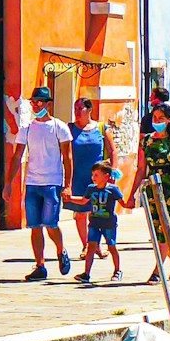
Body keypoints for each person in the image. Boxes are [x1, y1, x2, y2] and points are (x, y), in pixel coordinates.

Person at [126, 98, 170, 285]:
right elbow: (141, 169)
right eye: (155, 117)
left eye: (161, 118)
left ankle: (157, 270)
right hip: (152, 190)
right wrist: (132, 194)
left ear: (169, 120)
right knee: (158, 231)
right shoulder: (146, 142)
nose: (157, 121)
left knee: (166, 229)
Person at [13, 85, 73, 281]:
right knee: (35, 225)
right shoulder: (27, 129)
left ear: (48, 104)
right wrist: (8, 183)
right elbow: (17, 156)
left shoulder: (59, 127)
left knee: (51, 224)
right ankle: (40, 265)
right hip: (32, 182)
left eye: (40, 102)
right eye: (33, 102)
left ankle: (60, 250)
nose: (36, 106)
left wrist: (67, 185)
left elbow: (67, 158)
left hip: (52, 182)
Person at [69, 159, 124, 283]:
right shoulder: (91, 189)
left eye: (96, 175)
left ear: (106, 176)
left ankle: (117, 270)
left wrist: (130, 201)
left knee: (112, 247)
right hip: (94, 223)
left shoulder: (113, 189)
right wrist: (70, 199)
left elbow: (123, 203)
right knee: (91, 247)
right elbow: (84, 201)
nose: (93, 178)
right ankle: (86, 273)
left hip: (109, 224)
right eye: (93, 175)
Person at [67, 98, 107, 259]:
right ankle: (86, 245)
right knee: (81, 213)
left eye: (80, 108)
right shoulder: (70, 129)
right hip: (78, 175)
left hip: (97, 177)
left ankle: (96, 244)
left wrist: (112, 173)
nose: (77, 112)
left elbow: (112, 151)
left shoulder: (101, 128)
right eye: (75, 108)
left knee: (97, 212)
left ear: (89, 110)